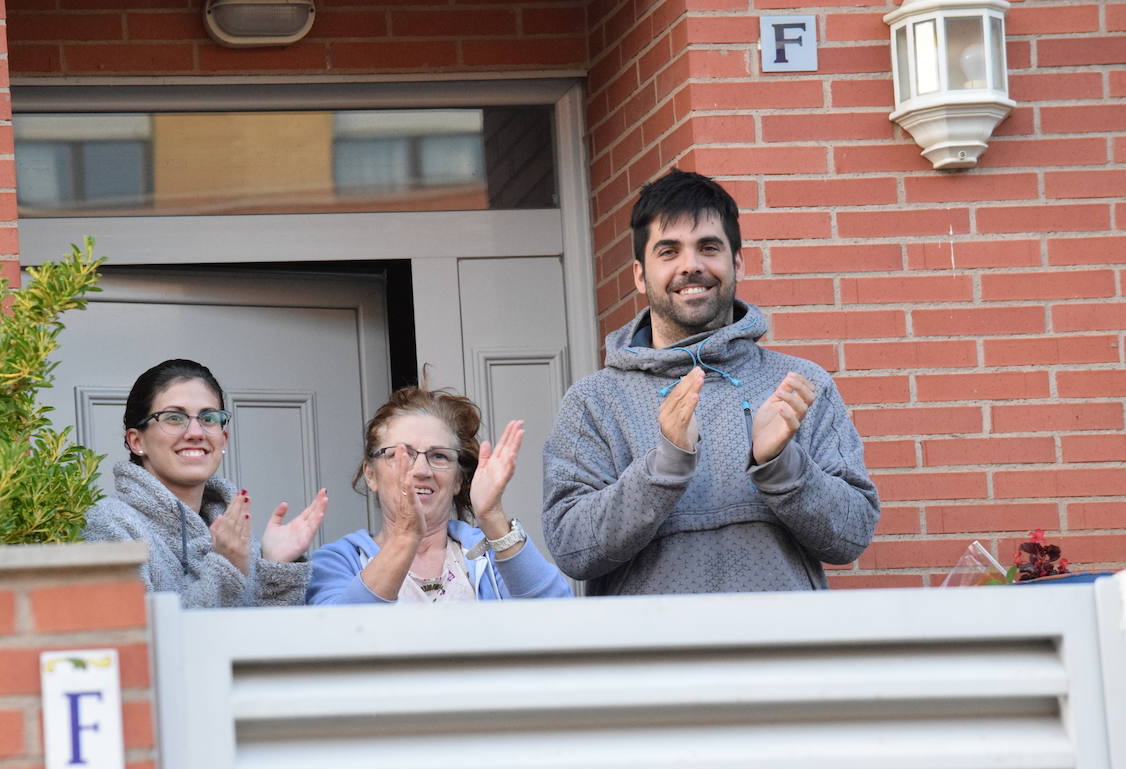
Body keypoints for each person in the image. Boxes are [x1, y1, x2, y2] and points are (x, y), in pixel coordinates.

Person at [542, 168, 880, 595]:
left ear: (736, 261)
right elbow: (573, 549)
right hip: (652, 658)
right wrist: (664, 466)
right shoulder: (594, 400)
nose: (691, 265)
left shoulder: (798, 386)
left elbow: (851, 537)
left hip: (780, 654)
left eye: (708, 247)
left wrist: (781, 465)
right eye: (668, 251)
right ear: (639, 275)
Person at [84, 358, 327, 608]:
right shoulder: (110, 525)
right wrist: (225, 567)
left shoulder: (236, 535)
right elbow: (139, 639)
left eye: (209, 418)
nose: (196, 432)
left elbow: (266, 640)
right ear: (137, 441)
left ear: (224, 438)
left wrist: (277, 566)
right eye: (174, 418)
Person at [307, 387, 570, 604]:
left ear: (457, 480)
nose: (421, 470)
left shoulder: (488, 555)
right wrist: (406, 537)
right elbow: (335, 638)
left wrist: (492, 517)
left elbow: (559, 620)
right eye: (402, 454)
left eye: (439, 456)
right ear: (371, 474)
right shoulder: (337, 561)